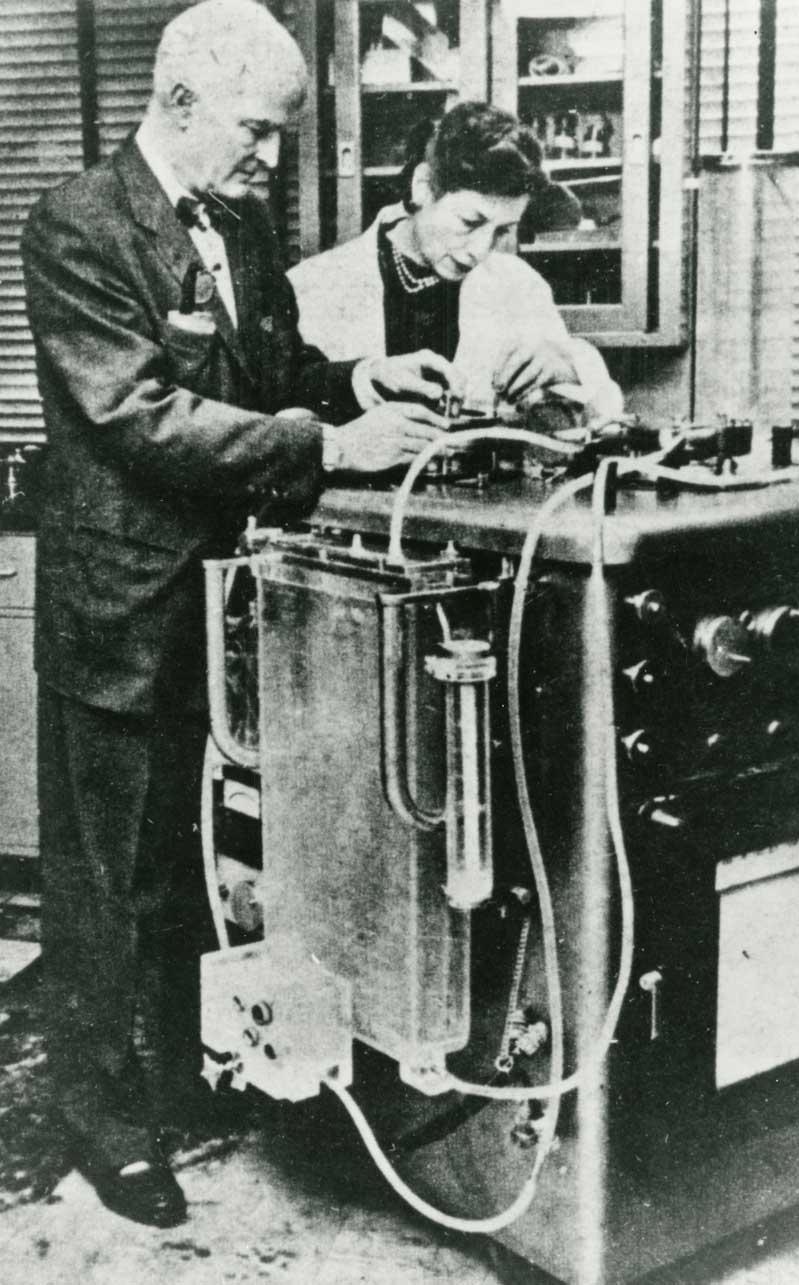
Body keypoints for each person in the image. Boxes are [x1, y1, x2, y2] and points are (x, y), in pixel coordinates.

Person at [21, 0, 455, 1231]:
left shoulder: (245, 225)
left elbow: (265, 379)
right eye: (257, 134)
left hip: (234, 609)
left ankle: (187, 1077)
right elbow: (142, 416)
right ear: (177, 105)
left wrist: (361, 380)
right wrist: (336, 443)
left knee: (208, 867)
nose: (270, 161)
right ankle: (107, 1128)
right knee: (113, 882)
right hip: (126, 611)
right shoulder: (77, 225)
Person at [289, 101, 622, 423]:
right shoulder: (312, 286)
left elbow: (603, 414)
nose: (480, 251)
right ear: (422, 188)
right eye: (470, 222)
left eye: (501, 231)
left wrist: (570, 369)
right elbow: (283, 425)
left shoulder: (518, 286)